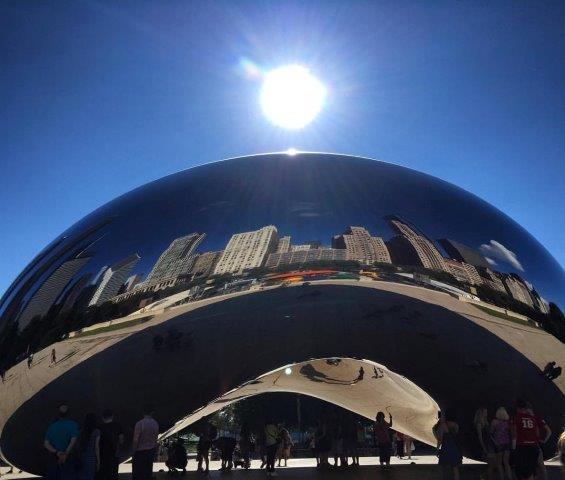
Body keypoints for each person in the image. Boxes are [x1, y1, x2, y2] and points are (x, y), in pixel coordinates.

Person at [510, 399, 550, 480]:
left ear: (518, 409)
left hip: (522, 446)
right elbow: (545, 431)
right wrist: (544, 440)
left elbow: (514, 433)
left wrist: (513, 447)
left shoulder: (516, 417)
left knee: (522, 471)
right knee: (532, 469)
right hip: (534, 446)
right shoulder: (534, 418)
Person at [44, 404, 79, 480]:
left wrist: (57, 452)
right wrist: (65, 453)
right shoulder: (73, 425)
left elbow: (46, 444)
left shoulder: (52, 427)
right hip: (69, 458)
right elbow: (74, 440)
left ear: (58, 414)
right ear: (68, 414)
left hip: (54, 458)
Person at [131, 406, 159, 480]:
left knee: (138, 473)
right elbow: (156, 439)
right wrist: (155, 452)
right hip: (150, 451)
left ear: (143, 413)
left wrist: (133, 452)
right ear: (152, 413)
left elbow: (135, 440)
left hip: (140, 452)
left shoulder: (139, 424)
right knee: (148, 472)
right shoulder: (155, 423)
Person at [436, 409, 462, 480]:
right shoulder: (456, 425)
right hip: (455, 448)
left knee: (443, 468)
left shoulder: (443, 425)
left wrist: (437, 449)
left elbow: (440, 439)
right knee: (455, 469)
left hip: (446, 448)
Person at [98, 409, 124, 480]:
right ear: (112, 416)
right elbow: (121, 440)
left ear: (102, 417)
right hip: (114, 453)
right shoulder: (118, 426)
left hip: (102, 454)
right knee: (113, 473)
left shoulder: (99, 427)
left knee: (103, 473)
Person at [76, 413, 100, 480]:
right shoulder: (96, 431)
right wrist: (98, 461)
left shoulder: (80, 431)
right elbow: (96, 448)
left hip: (82, 456)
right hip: (91, 458)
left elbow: (77, 444)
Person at [474, 407, 496, 480]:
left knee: (493, 464)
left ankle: (483, 476)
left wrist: (495, 442)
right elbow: (480, 437)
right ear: (481, 413)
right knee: (490, 464)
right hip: (486, 445)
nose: (487, 413)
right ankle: (488, 477)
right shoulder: (479, 424)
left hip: (490, 444)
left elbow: (489, 435)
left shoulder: (486, 422)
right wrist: (483, 447)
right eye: (485, 412)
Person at [490, 407, 512, 480]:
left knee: (499, 463)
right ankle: (509, 477)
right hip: (507, 443)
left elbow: (491, 433)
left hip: (498, 444)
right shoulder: (508, 423)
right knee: (506, 462)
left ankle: (502, 478)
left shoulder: (494, 422)